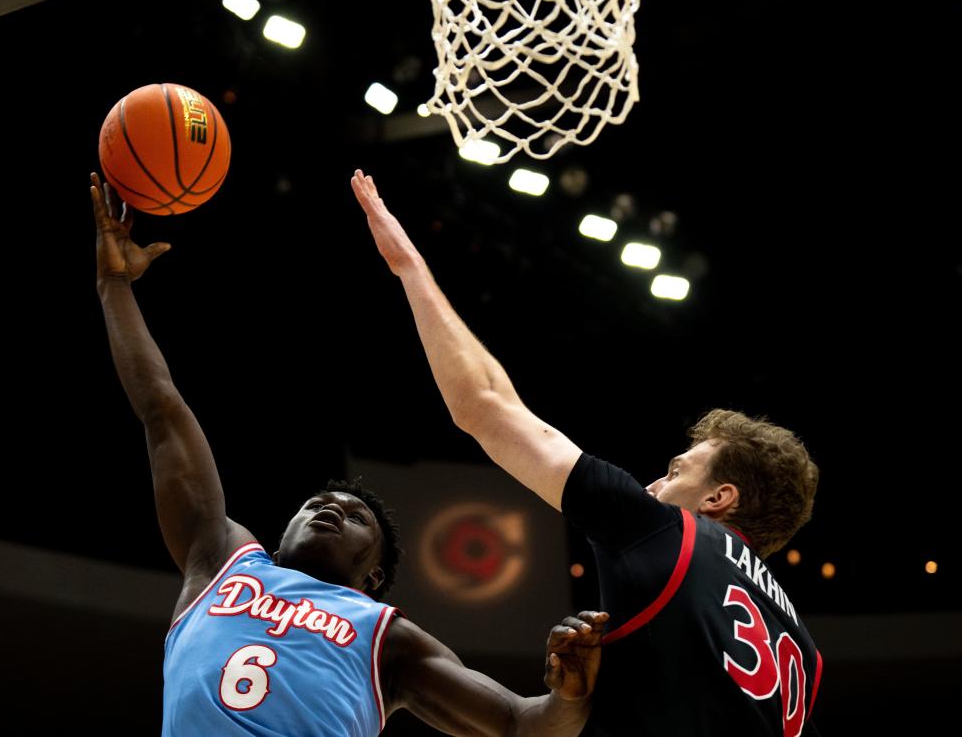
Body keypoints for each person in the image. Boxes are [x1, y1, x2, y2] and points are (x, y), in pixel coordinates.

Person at [90, 172, 609, 736]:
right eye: (317, 503)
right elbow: (162, 411)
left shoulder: (389, 638)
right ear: (284, 529)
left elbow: (517, 721)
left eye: (355, 515)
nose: (329, 508)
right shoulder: (220, 557)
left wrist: (570, 697)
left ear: (374, 574)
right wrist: (113, 284)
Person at [351, 168, 824, 735]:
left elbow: (484, 407)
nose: (654, 486)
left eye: (676, 472)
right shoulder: (802, 645)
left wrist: (409, 266)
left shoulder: (669, 534)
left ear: (720, 497)